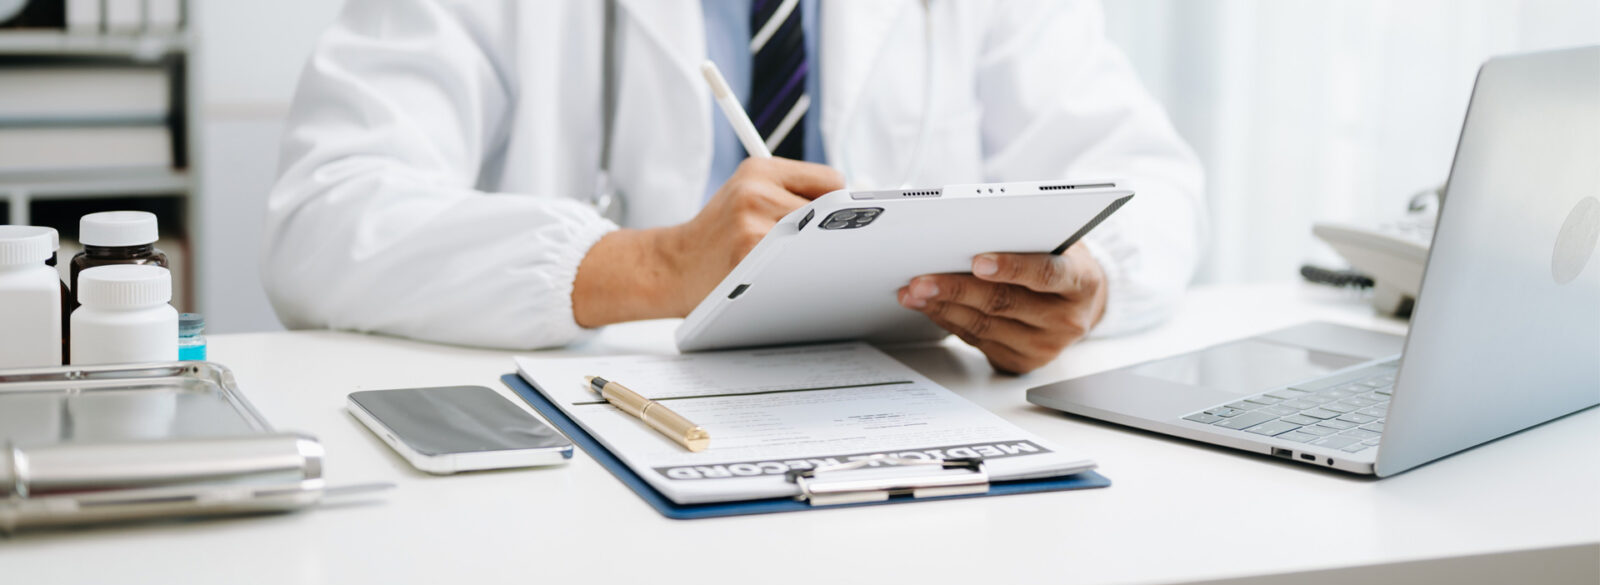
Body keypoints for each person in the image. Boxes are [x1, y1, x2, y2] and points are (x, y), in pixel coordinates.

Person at [262, 0, 1205, 374]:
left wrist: (1081, 284)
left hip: (905, 418)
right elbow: (326, 217)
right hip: (605, 425)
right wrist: (650, 264)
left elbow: (1151, 182)